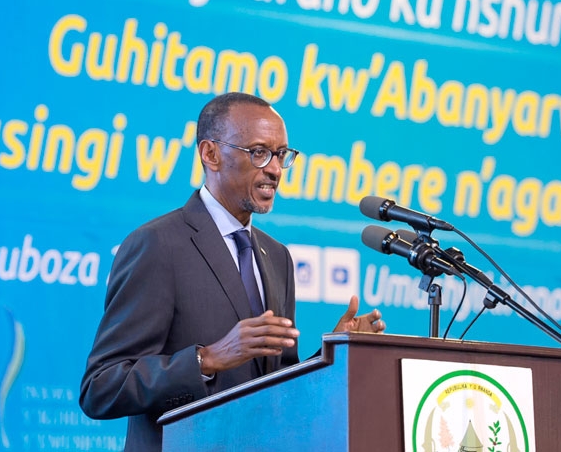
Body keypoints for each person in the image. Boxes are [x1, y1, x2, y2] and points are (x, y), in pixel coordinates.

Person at [80, 92, 385, 451]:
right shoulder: (159, 245)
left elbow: (277, 385)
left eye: (281, 154)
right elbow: (101, 388)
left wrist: (332, 353)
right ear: (210, 154)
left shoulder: (277, 256)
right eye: (259, 152)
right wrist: (207, 359)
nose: (274, 169)